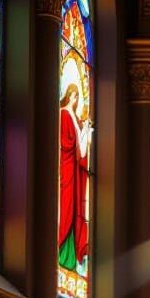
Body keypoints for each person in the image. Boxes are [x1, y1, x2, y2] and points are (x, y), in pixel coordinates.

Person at [58, 83, 92, 273]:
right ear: (69, 95)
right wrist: (82, 134)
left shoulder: (75, 118)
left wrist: (85, 130)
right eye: (74, 95)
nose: (76, 98)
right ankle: (62, 248)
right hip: (67, 167)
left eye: (77, 96)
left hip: (75, 170)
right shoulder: (63, 114)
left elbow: (81, 150)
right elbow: (68, 143)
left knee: (75, 208)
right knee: (66, 206)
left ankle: (70, 256)